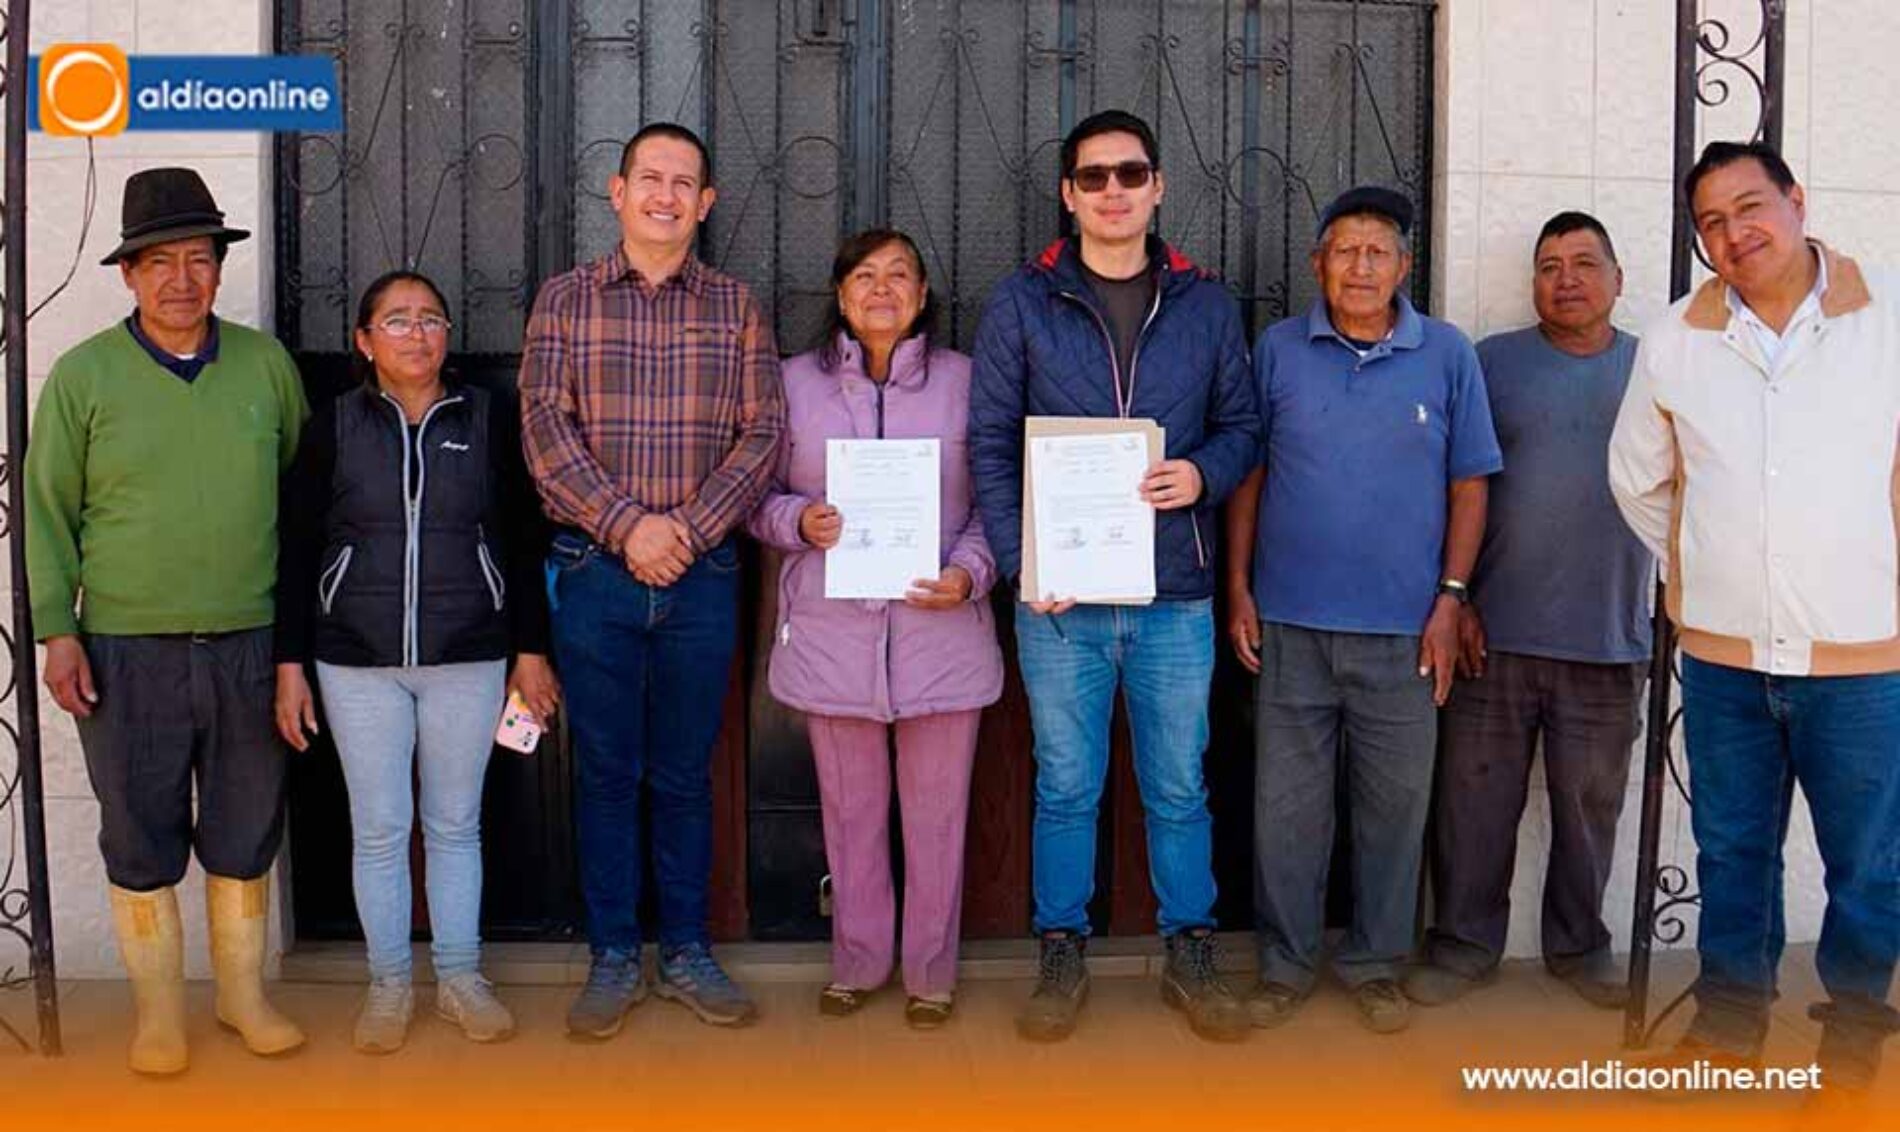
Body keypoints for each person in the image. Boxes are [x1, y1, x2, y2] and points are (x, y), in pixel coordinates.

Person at [1610, 140, 1900, 1093]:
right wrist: (1704, 570)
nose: (1735, 234)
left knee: (1867, 862)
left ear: (1797, 200)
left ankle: (1853, 1036)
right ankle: (1730, 1024)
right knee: (1734, 849)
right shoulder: (1677, 338)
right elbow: (1638, 479)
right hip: (1726, 655)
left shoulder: (1887, 319)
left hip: (1863, 654)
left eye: (1750, 207)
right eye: (1711, 223)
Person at [969, 109, 1262, 1043]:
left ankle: (1190, 951)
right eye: (1092, 177)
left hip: (1176, 591)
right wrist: (1022, 565)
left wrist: (1204, 474)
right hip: (1059, 600)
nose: (1112, 192)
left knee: (1179, 784)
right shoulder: (1022, 302)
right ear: (1068, 195)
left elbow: (1246, 427)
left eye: (1129, 174)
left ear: (1158, 186)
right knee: (1065, 785)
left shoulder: (1208, 305)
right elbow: (989, 445)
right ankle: (1061, 951)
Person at [25, 167, 309, 1074]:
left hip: (248, 643)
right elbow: (45, 509)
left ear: (221, 269)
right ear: (129, 274)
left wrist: (291, 647)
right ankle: (158, 1014)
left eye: (198, 259)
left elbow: (298, 494)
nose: (181, 279)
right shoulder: (83, 376)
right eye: (159, 262)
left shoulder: (266, 366)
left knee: (245, 822)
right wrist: (54, 627)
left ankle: (241, 998)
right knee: (140, 827)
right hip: (122, 649)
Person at [518, 122, 784, 1035]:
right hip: (595, 573)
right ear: (617, 190)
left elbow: (764, 436)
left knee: (682, 775)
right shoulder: (565, 300)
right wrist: (631, 529)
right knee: (604, 773)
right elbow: (545, 436)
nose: (666, 196)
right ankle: (610, 957)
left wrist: (688, 531)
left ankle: (686, 951)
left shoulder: (737, 305)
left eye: (685, 183)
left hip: (704, 575)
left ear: (706, 203)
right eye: (650, 179)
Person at [1227, 185, 1501, 1035]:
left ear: (1405, 266)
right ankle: (1284, 965)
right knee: (1286, 814)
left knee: (1393, 812)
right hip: (1290, 627)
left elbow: (1470, 485)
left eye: (1378, 251)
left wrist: (1452, 599)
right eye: (1343, 250)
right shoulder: (1276, 349)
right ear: (1317, 264)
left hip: (1405, 635)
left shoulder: (1448, 354)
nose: (1360, 266)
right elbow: (1249, 473)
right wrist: (1237, 587)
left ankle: (1378, 962)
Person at [273, 270, 559, 1052]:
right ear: (364, 342)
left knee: (455, 825)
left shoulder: (486, 420)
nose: (417, 333)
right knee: (380, 829)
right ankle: (390, 984)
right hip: (355, 661)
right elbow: (299, 547)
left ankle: (461, 981)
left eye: (431, 319)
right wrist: (289, 663)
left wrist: (529, 652)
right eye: (395, 321)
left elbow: (523, 540)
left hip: (467, 655)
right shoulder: (333, 424)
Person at [747, 229, 1003, 1029]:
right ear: (841, 294)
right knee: (850, 814)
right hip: (833, 636)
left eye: (900, 276)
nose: (882, 289)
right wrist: (800, 521)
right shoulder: (791, 384)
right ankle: (858, 961)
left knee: (938, 816)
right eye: (865, 275)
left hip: (942, 633)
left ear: (924, 295)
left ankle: (931, 974)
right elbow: (750, 495)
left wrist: (969, 572)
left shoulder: (969, 383)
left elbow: (1000, 499)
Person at [1403, 212, 1652, 1011]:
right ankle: (1463, 945)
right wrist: (1456, 598)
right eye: (1550, 265)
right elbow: (1450, 490)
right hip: (1492, 636)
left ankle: (1581, 949)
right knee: (1473, 804)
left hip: (1609, 637)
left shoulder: (1657, 373)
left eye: (1585, 263)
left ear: (1619, 279)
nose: (1567, 279)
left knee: (1589, 809)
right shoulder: (1489, 365)